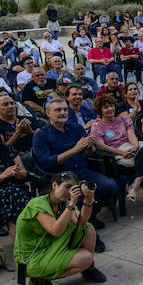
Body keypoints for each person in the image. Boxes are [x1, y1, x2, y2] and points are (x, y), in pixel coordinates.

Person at [32, 99, 116, 237]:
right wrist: (75, 149)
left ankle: (90, 216)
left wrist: (90, 147)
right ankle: (85, 230)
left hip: (82, 171)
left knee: (110, 186)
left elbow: (90, 152)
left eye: (65, 109)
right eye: (58, 110)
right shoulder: (41, 135)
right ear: (48, 113)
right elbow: (46, 162)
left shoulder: (76, 128)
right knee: (78, 196)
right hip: (60, 177)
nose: (62, 112)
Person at [15, 171, 106, 285]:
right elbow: (55, 231)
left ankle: (88, 269)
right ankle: (40, 279)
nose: (69, 192)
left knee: (88, 228)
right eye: (67, 187)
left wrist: (88, 200)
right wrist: (72, 204)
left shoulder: (64, 203)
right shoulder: (37, 204)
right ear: (54, 185)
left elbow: (82, 221)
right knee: (86, 258)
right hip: (33, 256)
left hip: (50, 244)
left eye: (73, 188)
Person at [89, 94, 143, 212]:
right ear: (100, 111)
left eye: (111, 106)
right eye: (106, 107)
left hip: (131, 146)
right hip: (115, 152)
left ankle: (134, 186)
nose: (110, 109)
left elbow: (131, 135)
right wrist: (121, 153)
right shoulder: (97, 126)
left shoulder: (124, 120)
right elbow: (101, 145)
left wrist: (135, 147)